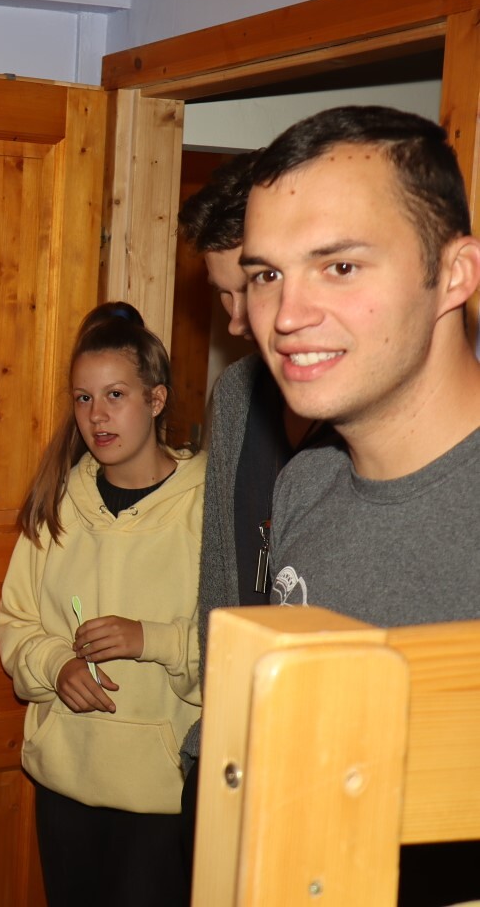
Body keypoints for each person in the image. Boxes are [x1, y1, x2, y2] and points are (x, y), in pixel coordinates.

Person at [240, 105, 480, 905]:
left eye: (339, 266)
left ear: (455, 274)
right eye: (266, 274)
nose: (286, 316)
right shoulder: (303, 483)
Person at [0, 302, 203, 907]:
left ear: (156, 400)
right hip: (65, 783)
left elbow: (239, 645)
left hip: (163, 795)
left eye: (115, 395)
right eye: (83, 399)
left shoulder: (205, 508)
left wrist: (150, 639)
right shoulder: (58, 501)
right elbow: (16, 622)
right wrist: (56, 664)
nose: (97, 415)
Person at [174, 150, 330, 864]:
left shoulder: (354, 406)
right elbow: (222, 579)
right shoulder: (236, 396)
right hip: (235, 748)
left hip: (324, 766)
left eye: (251, 286)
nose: (237, 321)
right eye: (223, 296)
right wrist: (213, 734)